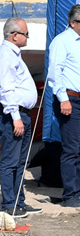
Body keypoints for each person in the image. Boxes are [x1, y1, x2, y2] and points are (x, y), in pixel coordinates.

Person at [45, 4, 80, 206]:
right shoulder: (62, 41)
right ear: (72, 23)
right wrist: (63, 99)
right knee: (71, 149)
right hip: (71, 100)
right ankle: (69, 195)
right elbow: (54, 73)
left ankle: (78, 191)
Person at [1, 17, 36, 217]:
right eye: (25, 33)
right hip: (16, 115)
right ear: (15, 36)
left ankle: (18, 202)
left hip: (24, 114)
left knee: (21, 162)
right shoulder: (6, 55)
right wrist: (15, 117)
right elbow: (5, 88)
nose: (28, 37)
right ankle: (8, 204)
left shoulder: (15, 54)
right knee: (10, 161)